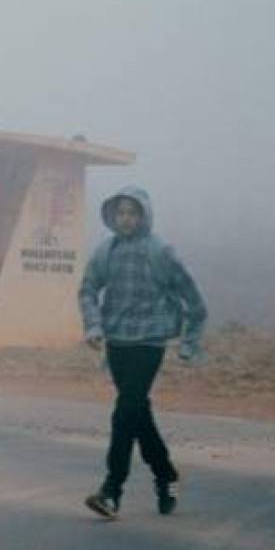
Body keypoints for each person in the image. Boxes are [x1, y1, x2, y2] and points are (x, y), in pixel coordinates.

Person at [77, 186, 207, 519]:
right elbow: (88, 289)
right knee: (137, 415)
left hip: (150, 341)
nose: (126, 219)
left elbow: (194, 300)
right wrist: (93, 326)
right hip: (117, 342)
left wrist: (190, 344)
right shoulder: (106, 251)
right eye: (120, 212)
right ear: (112, 216)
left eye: (132, 213)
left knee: (124, 413)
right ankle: (166, 475)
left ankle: (111, 491)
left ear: (144, 215)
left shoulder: (161, 251)